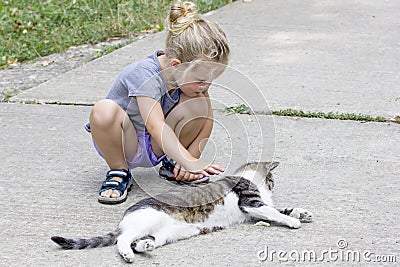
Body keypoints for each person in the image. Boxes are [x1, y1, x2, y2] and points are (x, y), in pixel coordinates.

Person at [87, 0, 230, 204]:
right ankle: (118, 172)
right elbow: (155, 125)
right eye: (202, 80)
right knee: (103, 109)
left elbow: (207, 119)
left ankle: (173, 166)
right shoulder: (144, 74)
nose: (206, 86)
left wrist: (190, 159)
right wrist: (189, 161)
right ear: (176, 65)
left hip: (158, 146)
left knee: (198, 104)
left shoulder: (193, 79)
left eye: (211, 80)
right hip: (126, 142)